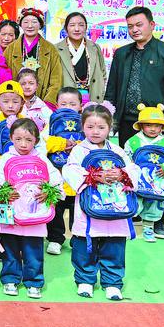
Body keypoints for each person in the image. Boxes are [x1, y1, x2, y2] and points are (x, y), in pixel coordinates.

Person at [104, 6, 164, 237]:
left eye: (139, 25)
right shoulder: (122, 53)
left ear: (152, 25)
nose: (134, 30)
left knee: (159, 169)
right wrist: (108, 119)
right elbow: (112, 88)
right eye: (130, 26)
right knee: (130, 168)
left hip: (157, 124)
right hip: (128, 122)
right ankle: (133, 210)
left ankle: (159, 218)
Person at [62, 104, 140, 301]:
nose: (95, 132)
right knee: (84, 245)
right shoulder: (79, 151)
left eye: (101, 127)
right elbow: (70, 170)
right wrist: (93, 177)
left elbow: (133, 170)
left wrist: (122, 174)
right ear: (82, 127)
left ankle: (112, 282)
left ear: (110, 128)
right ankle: (85, 279)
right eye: (90, 127)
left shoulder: (117, 151)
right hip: (89, 207)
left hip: (116, 207)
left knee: (114, 245)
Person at [0, 118, 63, 299]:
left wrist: (49, 192)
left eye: (29, 140)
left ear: (36, 140)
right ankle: (10, 279)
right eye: (18, 139)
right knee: (10, 248)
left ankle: (34, 281)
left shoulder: (41, 159)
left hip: (35, 214)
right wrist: (3, 194)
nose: (23, 144)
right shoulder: (4, 159)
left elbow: (56, 179)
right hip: (11, 213)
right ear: (11, 138)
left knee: (34, 250)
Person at [124, 104, 164, 242]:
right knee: (134, 202)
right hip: (138, 180)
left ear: (162, 127)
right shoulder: (133, 141)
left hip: (157, 181)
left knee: (154, 204)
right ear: (141, 126)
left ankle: (148, 228)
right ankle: (126, 227)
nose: (153, 129)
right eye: (148, 125)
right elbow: (125, 157)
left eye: (157, 125)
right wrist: (130, 169)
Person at [44, 87, 84, 255]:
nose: (68, 107)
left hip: (77, 179)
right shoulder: (51, 124)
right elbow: (42, 143)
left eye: (72, 104)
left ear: (81, 106)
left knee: (78, 210)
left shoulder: (85, 123)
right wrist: (62, 143)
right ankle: (55, 239)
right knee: (56, 208)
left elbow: (91, 144)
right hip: (57, 175)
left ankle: (78, 238)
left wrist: (77, 146)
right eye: (63, 104)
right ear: (56, 106)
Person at [3, 7, 62, 103]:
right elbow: (5, 77)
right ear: (21, 24)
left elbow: (56, 80)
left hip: (42, 102)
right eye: (26, 22)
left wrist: (47, 103)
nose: (30, 26)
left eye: (34, 22)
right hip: (16, 102)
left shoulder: (50, 49)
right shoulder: (10, 49)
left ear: (40, 25)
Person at [54, 12, 106, 104]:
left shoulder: (95, 47)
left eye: (81, 25)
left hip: (92, 97)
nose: (77, 29)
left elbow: (103, 73)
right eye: (72, 25)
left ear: (86, 27)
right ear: (66, 28)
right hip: (67, 99)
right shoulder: (56, 49)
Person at [18, 68, 53, 134]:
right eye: (23, 84)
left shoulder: (42, 106)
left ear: (37, 86)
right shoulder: (15, 104)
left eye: (31, 83)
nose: (27, 87)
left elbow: (50, 124)